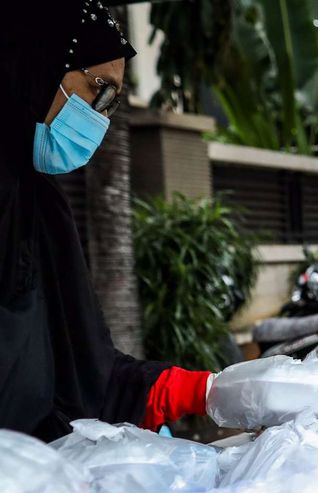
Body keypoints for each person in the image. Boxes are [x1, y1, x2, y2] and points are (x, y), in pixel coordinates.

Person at [1, 3, 211, 440]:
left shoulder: (38, 201)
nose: (102, 114)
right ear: (38, 63)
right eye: (101, 90)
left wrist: (201, 390)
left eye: (113, 101)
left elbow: (84, 374)